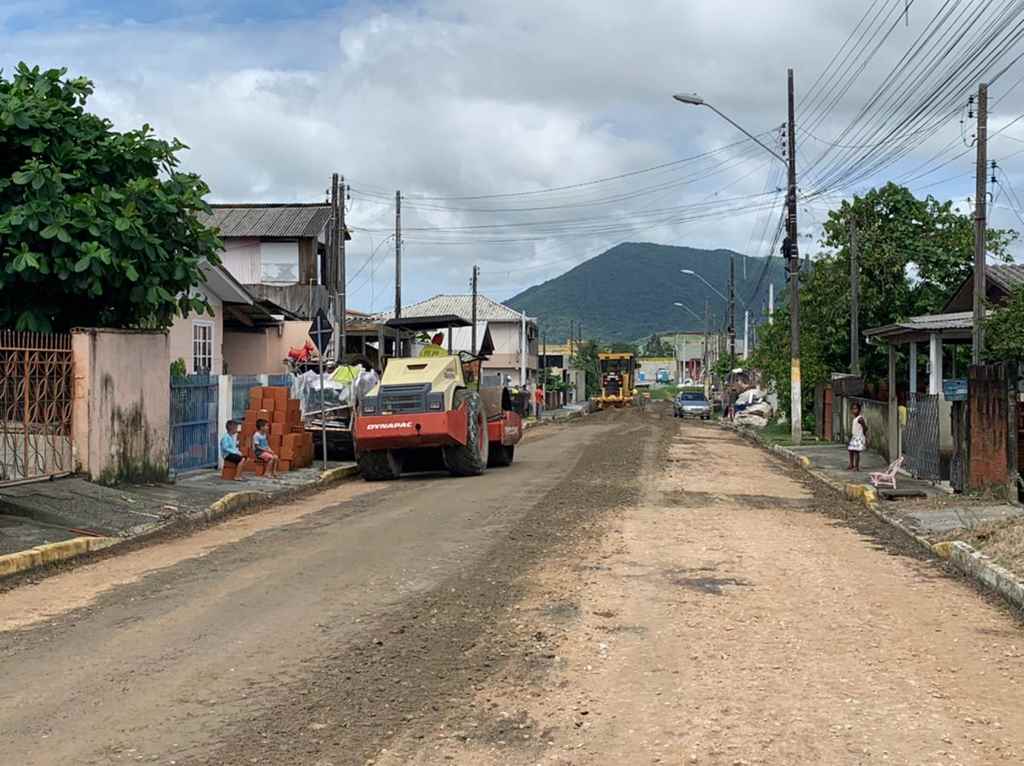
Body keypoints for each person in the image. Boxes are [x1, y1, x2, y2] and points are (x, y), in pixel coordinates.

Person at [848, 402, 868, 471]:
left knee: (856, 452)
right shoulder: (855, 418)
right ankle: (851, 464)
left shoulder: (860, 418)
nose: (854, 410)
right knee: (850, 450)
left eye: (856, 409)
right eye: (853, 409)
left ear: (859, 410)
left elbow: (865, 428)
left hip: (859, 437)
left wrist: (864, 436)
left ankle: (856, 467)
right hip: (854, 437)